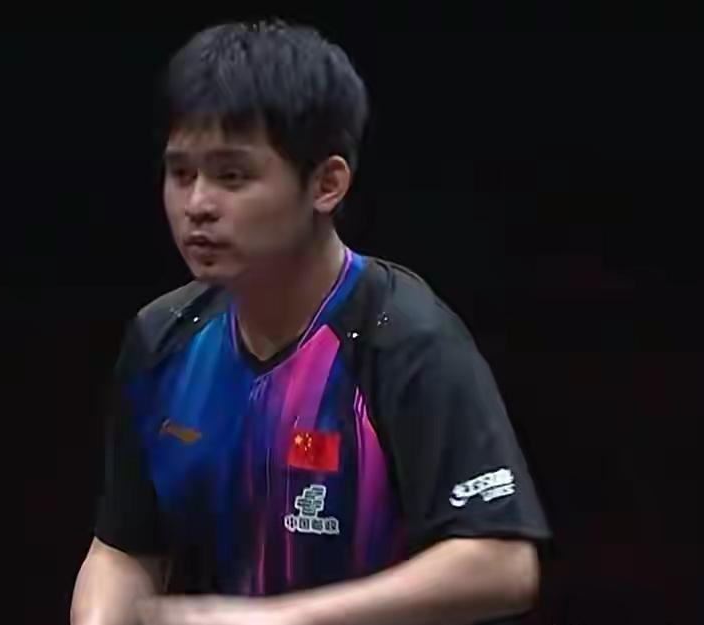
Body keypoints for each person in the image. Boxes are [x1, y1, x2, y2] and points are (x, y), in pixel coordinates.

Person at [71, 19, 551, 625]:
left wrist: (283, 620)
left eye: (232, 176)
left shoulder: (403, 338)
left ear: (327, 184)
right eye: (181, 173)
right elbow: (123, 550)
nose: (197, 205)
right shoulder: (162, 338)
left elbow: (502, 562)